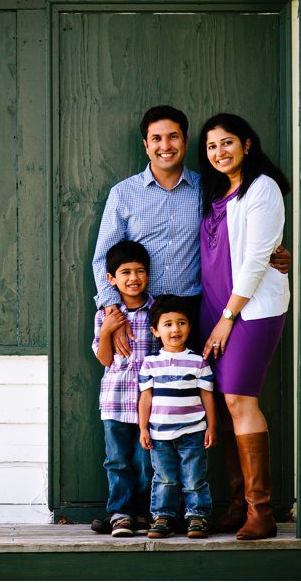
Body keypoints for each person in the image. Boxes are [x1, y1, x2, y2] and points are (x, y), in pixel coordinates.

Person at [90, 105, 290, 535]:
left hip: (199, 312)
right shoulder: (124, 193)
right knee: (143, 409)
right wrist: (113, 308)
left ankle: (217, 505)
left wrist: (276, 255)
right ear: (145, 144)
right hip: (141, 316)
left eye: (174, 137)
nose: (166, 146)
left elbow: (240, 235)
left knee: (210, 403)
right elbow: (102, 255)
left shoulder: (207, 188)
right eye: (157, 139)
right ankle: (138, 507)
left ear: (184, 141)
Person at [197, 113, 291, 541]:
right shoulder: (217, 192)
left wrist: (227, 318)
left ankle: (262, 511)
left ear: (247, 144)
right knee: (224, 401)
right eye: (212, 146)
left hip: (249, 310)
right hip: (214, 308)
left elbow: (256, 260)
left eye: (227, 143)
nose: (219, 152)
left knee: (239, 398)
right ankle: (238, 505)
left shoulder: (262, 188)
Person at [90, 240, 158, 537]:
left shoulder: (157, 312)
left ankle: (142, 512)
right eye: (125, 272)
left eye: (140, 271)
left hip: (149, 403)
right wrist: (106, 331)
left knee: (145, 462)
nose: (133, 278)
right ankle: (120, 513)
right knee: (117, 460)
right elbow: (105, 359)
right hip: (115, 401)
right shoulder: (106, 315)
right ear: (111, 279)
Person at [138, 295, 215, 540]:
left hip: (193, 431)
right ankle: (163, 516)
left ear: (189, 327)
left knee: (194, 478)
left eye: (181, 323)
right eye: (168, 324)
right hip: (159, 434)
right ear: (155, 330)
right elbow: (146, 398)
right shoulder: (150, 363)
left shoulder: (198, 361)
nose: (175, 329)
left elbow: (207, 397)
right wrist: (143, 428)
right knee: (165, 478)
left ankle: (197, 516)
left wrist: (211, 426)